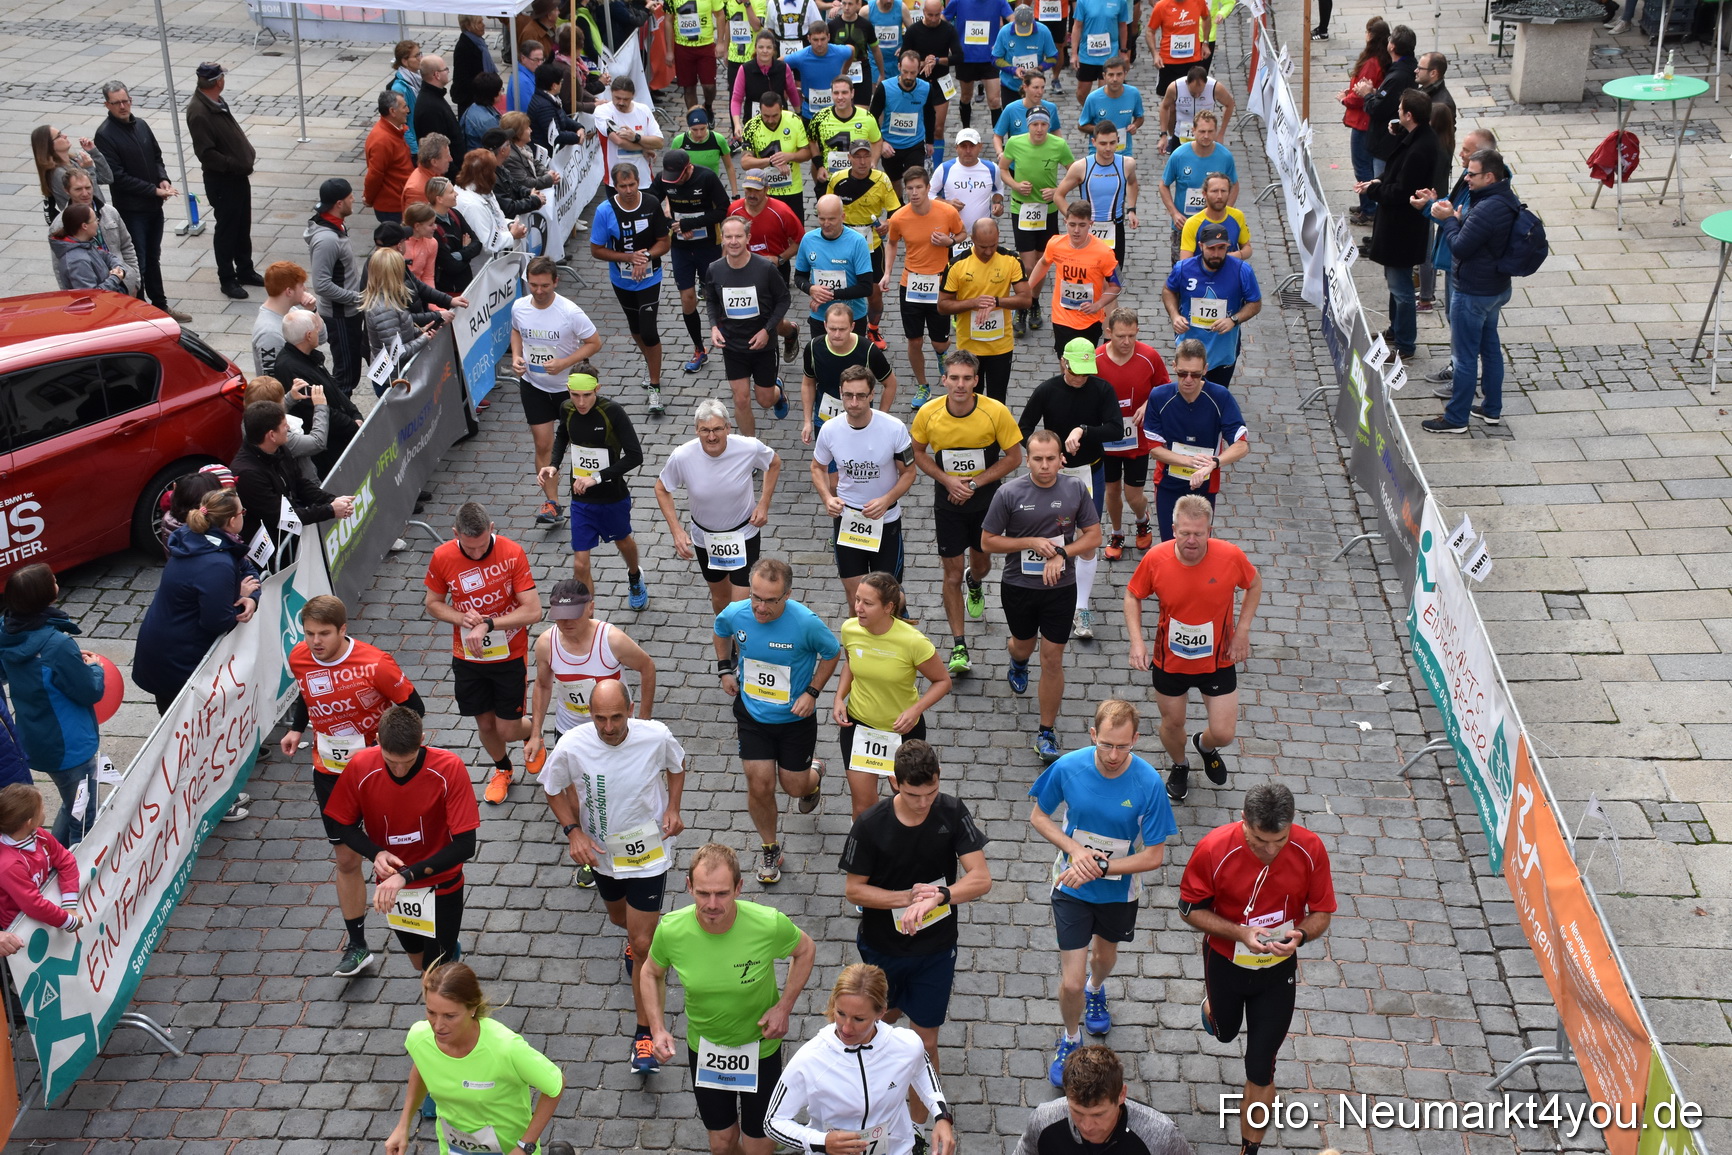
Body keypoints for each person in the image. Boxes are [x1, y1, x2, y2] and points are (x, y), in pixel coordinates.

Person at [1182, 783, 1336, 1155]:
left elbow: (1323, 912)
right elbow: (1190, 910)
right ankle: (1212, 1009)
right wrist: (1239, 932)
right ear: (1243, 822)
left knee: (1260, 1066)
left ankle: (1248, 1150)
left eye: (1279, 841)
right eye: (1258, 841)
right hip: (1226, 962)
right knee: (1224, 1032)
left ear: (1292, 825)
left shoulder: (1310, 849)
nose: (1269, 851)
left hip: (1276, 972)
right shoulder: (1214, 848)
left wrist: (1299, 934)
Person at [1028, 698, 1177, 1082]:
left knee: (1103, 958)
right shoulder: (1068, 767)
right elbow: (1039, 817)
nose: (1113, 755)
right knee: (1071, 979)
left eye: (1122, 746)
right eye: (1106, 744)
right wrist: (1076, 851)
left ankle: (1098, 989)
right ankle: (1071, 1037)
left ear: (1136, 740)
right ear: (1093, 735)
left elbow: (1155, 856)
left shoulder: (1148, 784)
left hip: (1118, 891)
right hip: (1071, 884)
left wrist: (1103, 865)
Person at [540, 679, 686, 1071]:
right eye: (600, 718)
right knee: (619, 919)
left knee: (642, 943)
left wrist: (673, 808)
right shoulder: (572, 744)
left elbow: (677, 766)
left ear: (631, 709)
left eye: (616, 717)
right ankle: (633, 943)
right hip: (604, 855)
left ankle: (644, 1034)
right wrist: (573, 832)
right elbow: (552, 787)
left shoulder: (655, 736)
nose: (608, 727)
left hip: (649, 853)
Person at [838, 739, 988, 1112]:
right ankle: (865, 1097)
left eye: (931, 793)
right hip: (882, 949)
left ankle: (922, 1128)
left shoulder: (951, 812)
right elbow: (854, 890)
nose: (924, 803)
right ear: (894, 783)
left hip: (935, 950)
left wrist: (940, 896)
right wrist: (906, 898)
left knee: (925, 1043)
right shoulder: (871, 825)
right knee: (874, 1026)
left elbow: (981, 879)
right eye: (913, 795)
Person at [641, 843, 818, 1155]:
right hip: (707, 1049)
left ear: (739, 887)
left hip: (760, 1048)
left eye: (722, 893)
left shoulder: (768, 924)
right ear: (688, 886)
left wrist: (783, 1007)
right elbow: (650, 972)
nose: (712, 904)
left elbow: (805, 950)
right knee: (722, 1144)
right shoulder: (671, 930)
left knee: (759, 1146)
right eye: (703, 893)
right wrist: (657, 1028)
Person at [279, 594, 423, 977]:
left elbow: (414, 709)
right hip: (329, 771)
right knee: (345, 859)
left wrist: (386, 752)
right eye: (309, 633)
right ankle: (358, 945)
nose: (315, 642)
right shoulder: (299, 658)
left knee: (400, 852)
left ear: (344, 630)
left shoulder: (375, 664)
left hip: (377, 773)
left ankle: (427, 934)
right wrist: (297, 729)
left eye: (324, 633)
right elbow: (309, 695)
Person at [322, 703, 479, 974]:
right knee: (419, 963)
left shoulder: (449, 768)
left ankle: (445, 956)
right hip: (395, 890)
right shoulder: (360, 766)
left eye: (407, 762)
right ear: (378, 741)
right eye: (390, 761)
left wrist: (406, 876)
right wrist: (376, 853)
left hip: (440, 883)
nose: (399, 770)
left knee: (434, 975)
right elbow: (342, 825)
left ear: (422, 740)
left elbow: (465, 845)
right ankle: (449, 949)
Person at [1121, 493, 1260, 800]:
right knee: (1173, 724)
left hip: (1218, 660)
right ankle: (1180, 764)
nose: (1192, 540)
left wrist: (1242, 631)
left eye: (1198, 533)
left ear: (1209, 531)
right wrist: (1136, 642)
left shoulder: (1230, 556)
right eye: (1185, 533)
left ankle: (1205, 745)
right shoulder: (1156, 559)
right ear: (1173, 529)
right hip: (1171, 662)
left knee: (1224, 733)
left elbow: (1253, 584)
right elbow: (1132, 595)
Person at [714, 557, 839, 884]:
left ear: (788, 595)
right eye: (756, 596)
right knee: (759, 782)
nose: (760, 607)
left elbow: (832, 652)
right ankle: (770, 847)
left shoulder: (806, 624)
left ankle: (815, 772)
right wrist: (724, 669)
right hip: (752, 715)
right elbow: (720, 629)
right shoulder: (737, 612)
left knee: (794, 785)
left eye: (770, 600)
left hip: (794, 720)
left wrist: (812, 692)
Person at [980, 428, 1101, 759]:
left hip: (1060, 589)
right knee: (1023, 644)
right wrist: (1030, 543)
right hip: (1019, 586)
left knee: (1052, 657)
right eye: (1037, 459)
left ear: (1060, 459)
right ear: (1028, 460)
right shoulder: (1009, 493)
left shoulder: (1075, 488)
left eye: (1051, 459)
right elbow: (987, 541)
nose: (1045, 466)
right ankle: (1017, 661)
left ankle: (1046, 732)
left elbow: (1093, 536)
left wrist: (1062, 554)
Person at [910, 349, 1025, 676]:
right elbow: (917, 452)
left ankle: (974, 582)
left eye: (967, 379)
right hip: (947, 501)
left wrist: (973, 483)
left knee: (982, 563)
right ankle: (959, 645)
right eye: (954, 378)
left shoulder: (995, 412)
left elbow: (1014, 458)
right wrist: (948, 480)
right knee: (950, 573)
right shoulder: (929, 413)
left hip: (985, 501)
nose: (960, 385)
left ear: (976, 380)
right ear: (944, 379)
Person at [422, 502, 544, 805]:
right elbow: (433, 602)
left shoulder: (512, 553)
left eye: (481, 547)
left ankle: (534, 734)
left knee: (507, 728)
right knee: (486, 725)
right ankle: (503, 769)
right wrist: (459, 617)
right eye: (468, 547)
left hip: (509, 655)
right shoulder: (443, 557)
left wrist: (488, 624)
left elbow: (534, 611)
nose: (476, 554)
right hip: (468, 658)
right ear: (454, 535)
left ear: (492, 529)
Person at [765, 964, 956, 1155]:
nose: (846, 1028)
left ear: (881, 1012)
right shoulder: (811, 1058)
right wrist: (821, 1142)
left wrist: (941, 1116)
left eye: (859, 1019)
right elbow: (772, 1121)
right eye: (841, 1014)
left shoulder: (905, 1044)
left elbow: (922, 1069)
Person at [385, 962, 572, 1155]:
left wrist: (525, 1146)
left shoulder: (505, 1047)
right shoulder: (420, 1039)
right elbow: (423, 1067)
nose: (438, 1026)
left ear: (472, 1008)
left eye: (450, 1016)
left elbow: (556, 1084)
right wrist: (403, 1125)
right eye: (431, 1012)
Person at [1017, 338, 1119, 638]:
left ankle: (1082, 608)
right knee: (1056, 531)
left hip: (1090, 473)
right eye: (1075, 370)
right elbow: (1022, 428)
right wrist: (1046, 455)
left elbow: (1114, 428)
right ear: (1063, 362)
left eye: (1086, 372)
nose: (1080, 377)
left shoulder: (1102, 389)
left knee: (1089, 538)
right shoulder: (1047, 390)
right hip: (1054, 477)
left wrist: (1084, 430)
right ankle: (1050, 588)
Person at [130, 486, 261, 711]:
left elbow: (247, 569)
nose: (244, 515)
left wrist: (253, 597)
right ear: (231, 521)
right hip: (178, 663)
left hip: (168, 651)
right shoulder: (216, 564)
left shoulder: (198, 538)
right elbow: (217, 621)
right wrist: (241, 597)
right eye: (242, 512)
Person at [832, 575, 951, 817]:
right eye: (857, 600)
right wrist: (838, 697)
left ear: (888, 607)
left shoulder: (913, 641)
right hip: (859, 727)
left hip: (903, 732)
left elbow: (942, 681)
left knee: (907, 803)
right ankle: (866, 853)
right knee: (864, 806)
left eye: (867, 603)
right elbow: (850, 664)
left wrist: (915, 710)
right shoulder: (850, 629)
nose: (858, 608)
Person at [1422, 142, 1517, 432]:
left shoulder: (1486, 208)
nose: (1466, 178)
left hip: (1474, 291)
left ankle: (1456, 418)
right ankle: (1491, 409)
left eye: (1472, 174)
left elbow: (1460, 247)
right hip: (1495, 288)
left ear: (1489, 177)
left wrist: (1450, 220)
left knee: (1464, 357)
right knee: (1489, 348)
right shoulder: (1505, 198)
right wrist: (1460, 220)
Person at [655, 399, 783, 614]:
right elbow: (661, 488)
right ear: (696, 430)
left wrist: (763, 504)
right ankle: (727, 642)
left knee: (740, 603)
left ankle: (740, 645)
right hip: (706, 538)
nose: (711, 437)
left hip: (744, 533)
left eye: (717, 429)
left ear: (728, 428)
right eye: (705, 430)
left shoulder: (748, 447)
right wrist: (676, 530)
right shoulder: (683, 456)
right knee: (721, 598)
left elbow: (774, 463)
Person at [539, 370, 651, 608]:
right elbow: (561, 436)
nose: (580, 402)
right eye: (575, 395)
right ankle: (588, 616)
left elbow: (635, 456)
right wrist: (553, 465)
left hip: (612, 496)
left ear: (597, 389)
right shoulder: (566, 409)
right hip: (581, 498)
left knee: (623, 542)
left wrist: (597, 477)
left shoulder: (612, 413)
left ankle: (634, 576)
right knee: (580, 563)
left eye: (587, 395)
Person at [526, 579, 658, 780]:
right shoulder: (546, 643)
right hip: (570, 729)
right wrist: (536, 734)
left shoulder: (612, 640)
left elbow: (647, 667)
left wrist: (644, 721)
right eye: (560, 617)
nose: (566, 623)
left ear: (590, 608)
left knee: (617, 783)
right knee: (574, 786)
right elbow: (543, 686)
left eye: (573, 615)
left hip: (612, 728)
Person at [510, 257, 605, 526]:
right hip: (534, 386)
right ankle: (552, 503)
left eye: (544, 286)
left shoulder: (570, 312)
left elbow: (594, 342)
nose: (538, 292)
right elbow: (517, 331)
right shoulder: (519, 307)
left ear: (556, 282)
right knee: (543, 444)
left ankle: (591, 492)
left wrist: (565, 362)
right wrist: (517, 357)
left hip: (570, 391)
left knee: (581, 442)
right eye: (533, 285)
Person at [812, 365, 918, 601]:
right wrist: (827, 498)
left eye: (861, 395)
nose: (854, 402)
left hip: (885, 519)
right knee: (856, 596)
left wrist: (886, 500)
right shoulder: (830, 430)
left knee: (887, 595)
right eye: (848, 395)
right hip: (848, 520)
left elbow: (909, 473)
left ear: (872, 395)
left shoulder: (894, 428)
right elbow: (817, 467)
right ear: (841, 393)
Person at [94, 82, 192, 322]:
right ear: (107, 105)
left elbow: (156, 156)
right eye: (116, 102)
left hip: (152, 206)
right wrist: (152, 190)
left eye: (125, 100)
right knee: (138, 262)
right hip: (132, 210)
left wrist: (163, 179)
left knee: (153, 257)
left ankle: (161, 305)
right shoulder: (105, 134)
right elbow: (117, 177)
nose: (123, 106)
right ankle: (141, 311)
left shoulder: (142, 125)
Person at [1139, 336, 1249, 539]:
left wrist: (1214, 463)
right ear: (1174, 366)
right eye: (1182, 373)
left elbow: (1241, 445)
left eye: (1195, 375)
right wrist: (1190, 462)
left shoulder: (1220, 397)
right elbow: (1154, 448)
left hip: (1206, 485)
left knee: (1198, 543)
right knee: (1169, 543)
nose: (1188, 379)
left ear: (1205, 370)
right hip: (1168, 483)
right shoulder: (1159, 396)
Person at [1356, 88, 1436, 361]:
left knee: (1401, 289)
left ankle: (1405, 344)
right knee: (1394, 284)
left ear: (1409, 115)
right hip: (1399, 227)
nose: (1397, 111)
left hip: (1403, 229)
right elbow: (1395, 177)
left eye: (1400, 108)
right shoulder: (1415, 138)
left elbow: (1402, 192)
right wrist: (1379, 182)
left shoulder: (1419, 149)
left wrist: (1374, 191)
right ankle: (1395, 330)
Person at [230, 401, 357, 562]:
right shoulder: (248, 474)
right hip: (270, 554)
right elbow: (281, 517)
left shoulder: (279, 449)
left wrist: (331, 500)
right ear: (271, 435)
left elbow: (299, 483)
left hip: (287, 539)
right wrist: (330, 510)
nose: (288, 428)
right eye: (284, 425)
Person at [591, 164, 672, 413]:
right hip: (622, 280)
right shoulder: (605, 211)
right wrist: (627, 258)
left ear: (639, 182)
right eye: (622, 186)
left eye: (632, 185)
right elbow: (596, 250)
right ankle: (651, 365)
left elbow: (664, 243)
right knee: (635, 328)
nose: (628, 190)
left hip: (650, 277)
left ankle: (655, 387)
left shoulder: (650, 204)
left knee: (648, 330)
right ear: (615, 187)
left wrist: (645, 256)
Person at [704, 217, 795, 437]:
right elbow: (711, 300)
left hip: (762, 345)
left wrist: (767, 330)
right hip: (733, 345)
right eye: (728, 237)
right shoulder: (714, 270)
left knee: (764, 400)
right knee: (741, 399)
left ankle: (778, 390)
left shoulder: (765, 268)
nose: (733, 241)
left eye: (738, 236)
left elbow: (783, 299)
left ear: (748, 238)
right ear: (722, 239)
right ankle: (749, 450)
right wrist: (714, 327)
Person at [878, 166, 962, 406]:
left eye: (918, 188)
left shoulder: (946, 212)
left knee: (940, 342)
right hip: (911, 284)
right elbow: (892, 243)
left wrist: (950, 241)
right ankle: (922, 385)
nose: (914, 193)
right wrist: (887, 273)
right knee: (914, 340)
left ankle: (941, 353)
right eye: (910, 189)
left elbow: (963, 233)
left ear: (927, 188)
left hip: (940, 284)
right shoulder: (900, 217)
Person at [648, 148, 733, 382]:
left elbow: (723, 209)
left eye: (678, 176)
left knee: (715, 293)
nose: (673, 181)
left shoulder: (706, 177)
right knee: (687, 299)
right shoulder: (663, 179)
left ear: (688, 168)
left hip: (709, 246)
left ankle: (728, 342)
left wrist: (690, 223)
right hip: (681, 248)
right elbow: (650, 205)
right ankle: (699, 348)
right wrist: (672, 224)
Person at [1017, 1044, 1192, 1155]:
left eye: (1098, 1115)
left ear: (1121, 1095)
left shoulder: (1161, 1136)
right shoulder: (1043, 1121)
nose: (1087, 1126)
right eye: (1077, 1112)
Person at [1092, 308, 1164, 559]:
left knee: (1134, 495)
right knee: (1111, 491)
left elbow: (1163, 388)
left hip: (1138, 439)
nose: (1126, 342)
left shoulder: (1149, 357)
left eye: (1132, 336)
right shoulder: (1096, 358)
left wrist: (1148, 405)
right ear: (1108, 332)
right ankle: (1117, 532)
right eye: (1121, 336)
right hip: (1107, 439)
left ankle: (1142, 519)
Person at [184, 62, 261, 299]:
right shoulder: (199, 111)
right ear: (218, 81)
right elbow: (206, 154)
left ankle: (245, 269)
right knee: (227, 230)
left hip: (237, 177)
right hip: (223, 181)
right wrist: (235, 164)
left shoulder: (215, 101)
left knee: (242, 225)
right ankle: (227, 279)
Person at [937, 219, 1032, 406]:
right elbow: (942, 306)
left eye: (993, 245)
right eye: (982, 247)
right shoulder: (957, 264)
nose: (988, 252)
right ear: (972, 239)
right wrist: (973, 303)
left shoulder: (1011, 260)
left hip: (1001, 346)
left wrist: (997, 301)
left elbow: (1026, 299)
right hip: (969, 348)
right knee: (969, 400)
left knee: (997, 401)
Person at [1001, 110, 1074, 335]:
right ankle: (1023, 305)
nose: (1039, 129)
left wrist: (1057, 191)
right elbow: (1003, 168)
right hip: (1021, 209)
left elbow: (1074, 171)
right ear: (1028, 126)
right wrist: (1014, 185)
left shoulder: (1058, 145)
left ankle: (1032, 302)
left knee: (1044, 261)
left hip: (1048, 210)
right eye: (1035, 125)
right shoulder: (1014, 143)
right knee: (1028, 264)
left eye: (1043, 124)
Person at [1161, 221, 1260, 387]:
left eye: (1221, 248)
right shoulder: (1183, 268)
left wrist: (1233, 320)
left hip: (1223, 350)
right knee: (1189, 392)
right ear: (1200, 246)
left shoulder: (1242, 270)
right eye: (1211, 248)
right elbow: (1168, 291)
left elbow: (1255, 303)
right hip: (1188, 347)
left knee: (1216, 396)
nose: (1216, 253)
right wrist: (1175, 316)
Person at [825, 138, 901, 345]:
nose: (862, 161)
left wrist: (888, 222)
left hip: (872, 244)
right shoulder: (837, 179)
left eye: (866, 156)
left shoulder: (881, 180)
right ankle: (842, 329)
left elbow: (896, 210)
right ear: (849, 158)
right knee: (844, 288)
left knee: (875, 294)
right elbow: (827, 209)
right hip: (844, 243)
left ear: (871, 157)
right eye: (857, 156)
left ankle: (873, 330)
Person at [273, 310, 366, 475]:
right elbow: (316, 409)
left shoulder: (307, 357)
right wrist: (352, 425)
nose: (320, 332)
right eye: (317, 329)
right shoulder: (290, 369)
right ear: (309, 336)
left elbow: (334, 390)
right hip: (330, 449)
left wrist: (355, 413)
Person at [728, 175, 807, 366]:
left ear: (767, 189)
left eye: (756, 190)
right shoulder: (734, 209)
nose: (751, 194)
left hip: (774, 271)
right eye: (748, 190)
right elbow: (728, 239)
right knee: (752, 318)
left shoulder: (782, 211)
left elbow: (801, 241)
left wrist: (779, 258)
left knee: (774, 324)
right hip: (743, 270)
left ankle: (790, 332)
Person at [1029, 202, 1122, 356]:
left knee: (1084, 360)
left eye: (1082, 225)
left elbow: (1116, 285)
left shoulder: (1104, 252)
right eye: (1072, 224)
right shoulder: (1055, 244)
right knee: (1064, 358)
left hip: (1089, 319)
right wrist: (1027, 289)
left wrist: (1098, 305)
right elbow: (1043, 263)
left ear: (1090, 224)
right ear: (1065, 222)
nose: (1076, 230)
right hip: (1062, 316)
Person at [302, 178, 368, 395]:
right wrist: (356, 298)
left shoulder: (335, 225)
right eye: (350, 197)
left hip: (348, 311)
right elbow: (321, 285)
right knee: (345, 378)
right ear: (339, 203)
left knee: (349, 371)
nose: (354, 199)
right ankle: (342, 421)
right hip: (341, 316)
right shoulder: (327, 239)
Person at [803, 303, 899, 439]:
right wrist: (807, 422)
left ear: (852, 327)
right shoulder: (813, 347)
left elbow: (891, 384)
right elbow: (808, 384)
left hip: (860, 420)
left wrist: (880, 418)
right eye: (832, 329)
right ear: (825, 325)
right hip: (825, 418)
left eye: (842, 329)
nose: (837, 334)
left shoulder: (868, 350)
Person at [794, 194, 876, 343]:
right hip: (820, 317)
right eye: (822, 218)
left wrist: (829, 294)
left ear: (842, 216)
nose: (826, 224)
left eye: (831, 219)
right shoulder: (808, 240)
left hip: (852, 318)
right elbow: (799, 276)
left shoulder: (857, 242)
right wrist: (810, 288)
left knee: (852, 365)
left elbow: (866, 287)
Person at [0, 785, 81, 935]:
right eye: (42, 809)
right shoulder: (8, 865)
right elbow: (33, 905)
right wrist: (69, 921)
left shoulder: (40, 834)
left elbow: (66, 860)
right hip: (21, 929)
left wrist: (69, 904)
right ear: (29, 822)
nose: (44, 812)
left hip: (48, 911)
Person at [1158, 106, 1234, 263]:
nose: (1206, 136)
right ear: (1193, 130)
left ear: (1216, 131)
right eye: (1202, 131)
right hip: (1184, 226)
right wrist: (1174, 213)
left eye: (1210, 132)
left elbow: (1235, 185)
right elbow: (1163, 185)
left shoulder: (1225, 156)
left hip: (1214, 226)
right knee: (1181, 271)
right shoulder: (1179, 155)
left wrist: (1227, 212)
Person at [1055, 121, 1138, 259]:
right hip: (1087, 229)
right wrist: (1075, 219)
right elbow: (1058, 195)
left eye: (1112, 143)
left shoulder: (1127, 164)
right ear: (1094, 142)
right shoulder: (1081, 167)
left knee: (1114, 277)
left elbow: (1132, 183)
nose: (1108, 148)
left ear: (1118, 140)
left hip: (1115, 227)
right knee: (1089, 276)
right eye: (1103, 143)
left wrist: (1131, 209)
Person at [1342, 18, 1391, 226]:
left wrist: (1345, 99)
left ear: (1370, 35)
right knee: (1366, 165)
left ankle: (1368, 208)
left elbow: (1362, 93)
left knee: (1361, 166)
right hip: (1367, 119)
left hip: (1363, 120)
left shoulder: (1372, 63)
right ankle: (1366, 204)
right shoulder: (1382, 58)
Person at [55, 170, 136, 293]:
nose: (85, 193)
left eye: (88, 187)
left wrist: (134, 280)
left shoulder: (110, 212)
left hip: (124, 285)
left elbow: (127, 246)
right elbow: (60, 269)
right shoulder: (60, 225)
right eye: (78, 189)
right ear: (67, 191)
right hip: (102, 294)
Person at [739, 90, 814, 223]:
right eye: (766, 116)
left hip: (792, 190)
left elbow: (807, 153)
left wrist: (790, 156)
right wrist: (771, 161)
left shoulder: (794, 120)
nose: (770, 120)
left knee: (795, 234)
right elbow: (745, 162)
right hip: (763, 192)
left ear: (782, 109)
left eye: (775, 115)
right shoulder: (751, 126)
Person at [871, 50, 938, 195]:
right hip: (891, 145)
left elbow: (929, 114)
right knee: (894, 182)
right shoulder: (885, 88)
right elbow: (872, 117)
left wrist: (930, 142)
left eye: (913, 73)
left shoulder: (926, 88)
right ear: (899, 66)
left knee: (915, 181)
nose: (908, 77)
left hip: (915, 144)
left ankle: (914, 211)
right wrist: (881, 142)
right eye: (905, 72)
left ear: (919, 69)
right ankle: (898, 210)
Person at [361, 248, 435, 377]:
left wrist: (420, 331)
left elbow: (398, 333)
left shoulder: (389, 299)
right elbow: (397, 353)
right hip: (394, 379)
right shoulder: (384, 310)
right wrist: (423, 339)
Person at [905, 0, 964, 152]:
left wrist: (936, 61)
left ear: (942, 11)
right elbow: (903, 58)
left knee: (938, 128)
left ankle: (937, 167)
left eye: (937, 15)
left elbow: (958, 57)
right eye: (930, 15)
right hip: (918, 82)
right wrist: (924, 63)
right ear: (923, 12)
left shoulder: (948, 29)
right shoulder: (913, 30)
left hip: (940, 82)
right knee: (917, 125)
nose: (933, 19)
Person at [946, 0, 1013, 131]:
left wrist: (1004, 42)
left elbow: (1012, 18)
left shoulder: (999, 1)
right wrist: (950, 42)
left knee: (994, 100)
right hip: (966, 58)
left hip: (990, 58)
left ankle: (998, 138)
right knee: (966, 96)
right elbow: (943, 18)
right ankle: (966, 131)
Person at [1363, 24, 1418, 176]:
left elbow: (1378, 108)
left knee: (1381, 187)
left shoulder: (1397, 76)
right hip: (1391, 142)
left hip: (1386, 144)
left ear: (1392, 46)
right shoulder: (1406, 68)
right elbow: (1390, 99)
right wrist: (1377, 92)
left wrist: (1367, 94)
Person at [594, 76, 666, 189]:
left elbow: (659, 143)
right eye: (617, 98)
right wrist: (643, 148)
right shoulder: (603, 111)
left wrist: (636, 137)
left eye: (626, 99)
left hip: (643, 180)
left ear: (633, 96)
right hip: (617, 183)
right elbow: (619, 141)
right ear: (611, 93)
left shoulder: (643, 110)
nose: (621, 102)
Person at [30, 123, 113, 218]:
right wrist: (89, 169)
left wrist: (94, 152)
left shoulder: (73, 161)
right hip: (84, 221)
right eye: (59, 136)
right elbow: (96, 201)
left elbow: (107, 178)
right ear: (49, 145)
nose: (65, 136)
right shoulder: (59, 174)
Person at [251, 261, 319, 375]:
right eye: (301, 285)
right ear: (289, 291)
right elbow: (272, 382)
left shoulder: (292, 311)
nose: (305, 289)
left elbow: (321, 337)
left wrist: (312, 310)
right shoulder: (269, 334)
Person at [932, 129, 1005, 230]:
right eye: (963, 146)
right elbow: (929, 194)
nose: (968, 151)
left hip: (981, 233)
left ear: (980, 146)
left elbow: (998, 188)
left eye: (972, 146)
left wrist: (997, 202)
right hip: (952, 232)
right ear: (956, 147)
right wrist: (947, 203)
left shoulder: (992, 168)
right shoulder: (944, 169)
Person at [785, 22, 857, 125]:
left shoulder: (839, 52)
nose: (819, 44)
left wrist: (843, 73)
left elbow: (852, 50)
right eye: (815, 40)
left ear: (828, 37)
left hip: (836, 113)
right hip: (810, 114)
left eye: (823, 39)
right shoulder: (801, 57)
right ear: (809, 38)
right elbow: (780, 64)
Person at [48, 206, 128, 293]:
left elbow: (108, 256)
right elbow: (91, 294)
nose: (98, 222)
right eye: (95, 219)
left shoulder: (85, 244)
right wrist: (115, 278)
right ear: (85, 226)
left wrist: (118, 268)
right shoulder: (77, 261)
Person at [731, 31, 802, 128]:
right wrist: (737, 124)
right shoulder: (745, 69)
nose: (765, 51)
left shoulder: (783, 68)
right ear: (755, 48)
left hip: (779, 122)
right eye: (761, 47)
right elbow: (736, 99)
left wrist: (798, 114)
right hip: (753, 122)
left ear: (774, 49)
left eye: (768, 47)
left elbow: (792, 92)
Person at [1068, 0, 1130, 105]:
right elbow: (1077, 26)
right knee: (1081, 93)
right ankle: (1089, 111)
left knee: (1105, 93)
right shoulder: (1083, 2)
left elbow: (1122, 26)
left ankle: (1101, 116)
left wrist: (1123, 50)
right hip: (1087, 55)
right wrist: (1074, 53)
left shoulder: (1120, 2)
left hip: (1109, 55)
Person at [1078, 56, 1143, 155]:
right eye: (1111, 75)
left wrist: (1135, 125)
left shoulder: (1133, 93)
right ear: (1104, 76)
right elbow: (1081, 125)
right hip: (1098, 153)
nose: (1115, 79)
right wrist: (1102, 130)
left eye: (1119, 74)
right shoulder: (1093, 98)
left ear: (1125, 74)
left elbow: (1140, 117)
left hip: (1124, 152)